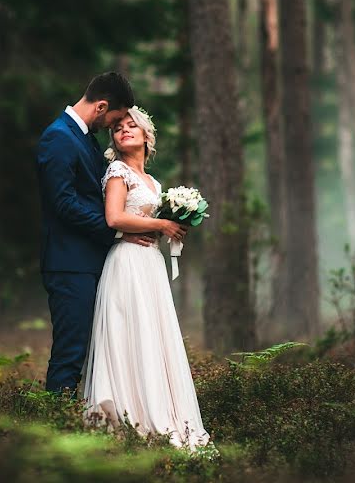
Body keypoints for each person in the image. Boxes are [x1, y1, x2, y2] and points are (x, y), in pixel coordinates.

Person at [80, 105, 211, 451]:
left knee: (152, 336)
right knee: (129, 333)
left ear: (145, 136)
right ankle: (126, 413)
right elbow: (113, 218)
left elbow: (150, 223)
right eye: (118, 127)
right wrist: (159, 224)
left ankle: (160, 410)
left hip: (150, 265)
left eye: (131, 125)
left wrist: (174, 230)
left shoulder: (153, 183)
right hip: (126, 266)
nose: (124, 130)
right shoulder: (117, 172)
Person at [37, 72, 149, 394]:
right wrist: (115, 229)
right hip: (69, 262)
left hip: (92, 260)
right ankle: (57, 425)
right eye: (115, 119)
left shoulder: (85, 138)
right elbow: (63, 203)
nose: (115, 127)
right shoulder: (58, 137)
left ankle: (81, 419)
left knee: (95, 348)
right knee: (71, 350)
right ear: (101, 107)